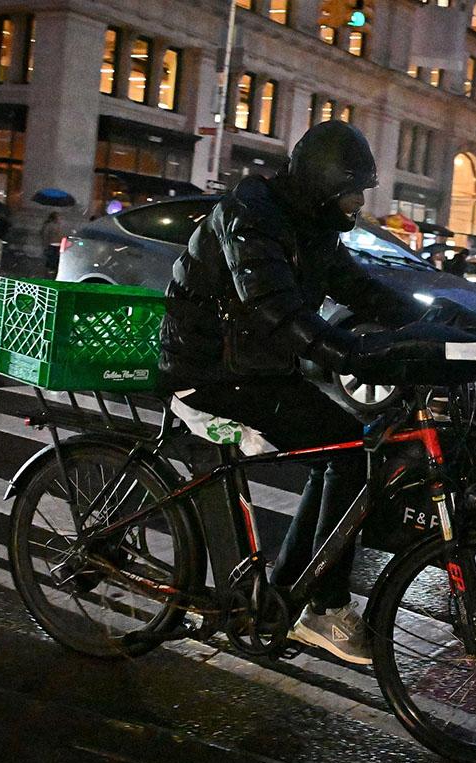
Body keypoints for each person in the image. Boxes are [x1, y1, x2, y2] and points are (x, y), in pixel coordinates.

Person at [159, 121, 409, 664]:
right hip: (210, 374)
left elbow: (363, 289)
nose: (357, 204)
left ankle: (291, 596)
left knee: (344, 450)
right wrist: (347, 352)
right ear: (322, 184)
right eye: (351, 191)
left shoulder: (311, 226)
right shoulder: (250, 216)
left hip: (257, 370)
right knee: (348, 448)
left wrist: (440, 329)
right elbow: (271, 308)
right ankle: (321, 606)